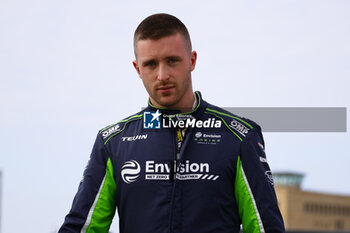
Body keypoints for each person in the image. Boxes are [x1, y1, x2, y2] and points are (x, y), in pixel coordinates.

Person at [59, 13, 285, 233]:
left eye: (172, 61)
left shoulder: (238, 136)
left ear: (192, 60)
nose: (162, 75)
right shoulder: (113, 142)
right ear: (137, 69)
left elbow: (265, 227)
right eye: (150, 64)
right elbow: (81, 228)